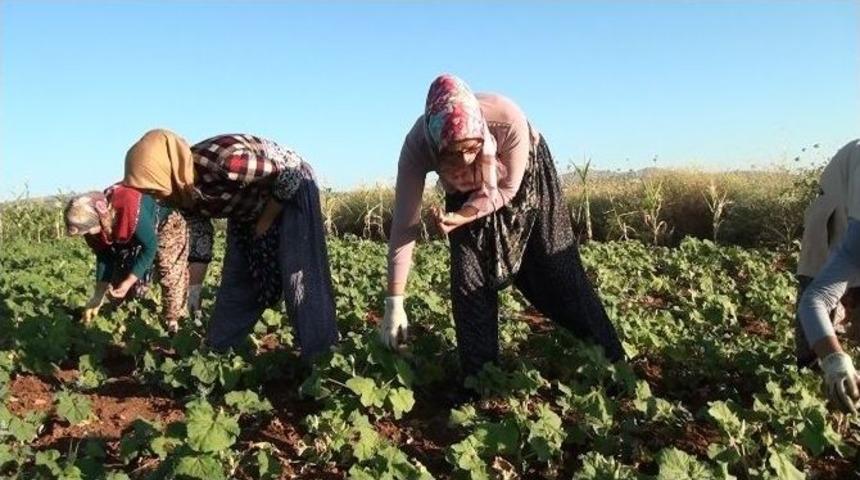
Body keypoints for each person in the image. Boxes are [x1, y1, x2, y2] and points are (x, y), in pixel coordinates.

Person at [380, 74, 624, 380]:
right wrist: (394, 303)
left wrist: (464, 216)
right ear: (436, 143)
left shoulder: (507, 119)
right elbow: (404, 225)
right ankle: (482, 381)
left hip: (522, 176)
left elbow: (507, 190)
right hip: (464, 191)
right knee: (468, 277)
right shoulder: (418, 147)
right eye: (454, 153)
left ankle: (614, 361)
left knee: (556, 269)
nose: (465, 158)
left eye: (472, 147)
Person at [122, 129, 338, 360]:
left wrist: (265, 221)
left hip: (292, 191)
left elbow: (290, 177)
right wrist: (194, 289)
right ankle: (218, 351)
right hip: (247, 205)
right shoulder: (179, 191)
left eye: (152, 188)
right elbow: (201, 235)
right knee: (238, 275)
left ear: (165, 170)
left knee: (300, 277)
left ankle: (322, 357)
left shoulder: (226, 163)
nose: (155, 197)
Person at [65, 184, 188, 332]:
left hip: (165, 223)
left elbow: (150, 247)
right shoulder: (92, 227)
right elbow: (105, 257)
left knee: (169, 271)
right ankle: (125, 317)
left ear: (99, 219)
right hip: (128, 233)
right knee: (121, 276)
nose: (87, 236)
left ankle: (173, 322)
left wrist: (129, 281)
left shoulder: (127, 206)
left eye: (88, 231)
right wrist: (97, 296)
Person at [797, 139, 860, 413]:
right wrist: (834, 361)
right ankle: (815, 383)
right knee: (812, 350)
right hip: (835, 215)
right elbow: (815, 301)